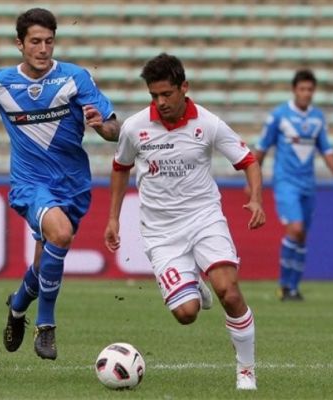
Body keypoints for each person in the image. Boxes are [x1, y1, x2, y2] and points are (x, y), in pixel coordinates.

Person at [0, 8, 120, 360]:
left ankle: (17, 307)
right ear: (20, 44)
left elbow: (113, 130)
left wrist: (101, 126)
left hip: (73, 185)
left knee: (43, 263)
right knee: (61, 234)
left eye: (49, 41)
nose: (43, 49)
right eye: (35, 41)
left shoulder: (75, 78)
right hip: (30, 184)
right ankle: (45, 326)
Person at [104, 53, 266, 390]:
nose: (160, 102)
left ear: (184, 88)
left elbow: (248, 160)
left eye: (166, 94)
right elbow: (121, 168)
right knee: (187, 314)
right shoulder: (135, 128)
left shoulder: (208, 123)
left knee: (230, 292)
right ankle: (194, 286)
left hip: (205, 219)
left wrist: (255, 198)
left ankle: (246, 370)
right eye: (153, 96)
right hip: (161, 232)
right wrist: (113, 218)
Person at [255, 69, 333, 301]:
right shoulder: (279, 115)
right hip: (286, 182)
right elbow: (262, 148)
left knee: (302, 235)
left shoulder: (318, 118)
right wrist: (253, 181)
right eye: (302, 89)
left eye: (310, 89)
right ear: (294, 90)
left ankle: (294, 288)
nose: (306, 93)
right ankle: (284, 285)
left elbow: (326, 149)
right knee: (294, 229)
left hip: (308, 184)